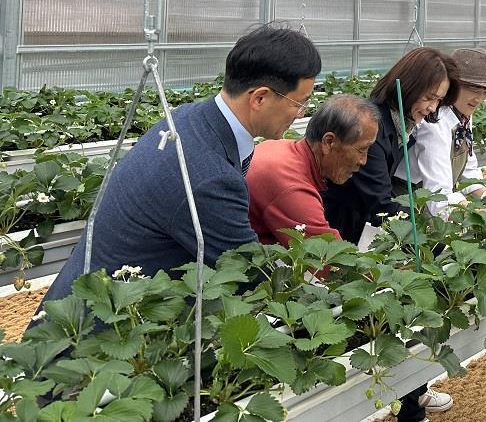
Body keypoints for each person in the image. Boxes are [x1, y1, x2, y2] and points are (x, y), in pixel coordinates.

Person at [42, 25, 321, 304]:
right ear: (259, 98)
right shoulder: (209, 178)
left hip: (88, 294)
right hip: (105, 328)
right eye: (300, 103)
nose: (300, 115)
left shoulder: (190, 118)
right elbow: (249, 273)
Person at [323, 47, 460, 422]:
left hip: (357, 227)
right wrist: (436, 236)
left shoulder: (400, 122)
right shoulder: (374, 125)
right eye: (430, 97)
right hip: (337, 230)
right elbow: (378, 203)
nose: (433, 107)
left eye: (439, 100)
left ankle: (413, 393)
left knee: (394, 304)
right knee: (367, 309)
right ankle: (400, 402)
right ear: (410, 85)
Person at [247, 95, 380, 245]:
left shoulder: (280, 147)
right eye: (362, 149)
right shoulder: (292, 188)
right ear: (329, 142)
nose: (363, 161)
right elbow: (328, 258)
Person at [401, 48, 486, 218]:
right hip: (412, 205)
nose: (479, 99)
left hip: (437, 200)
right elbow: (438, 194)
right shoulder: (434, 121)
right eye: (474, 89)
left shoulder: (463, 115)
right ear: (454, 86)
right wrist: (474, 213)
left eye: (485, 91)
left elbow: (469, 171)